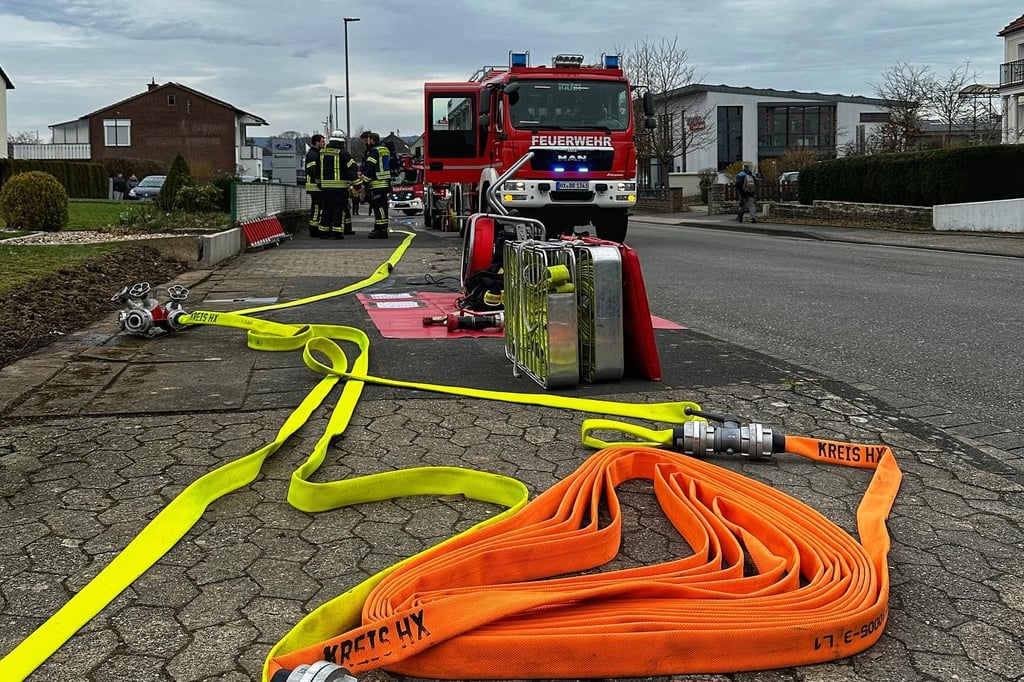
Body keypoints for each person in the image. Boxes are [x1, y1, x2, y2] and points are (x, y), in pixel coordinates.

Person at [319, 130, 359, 238]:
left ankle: (323, 232)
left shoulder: (322, 153)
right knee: (338, 209)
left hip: (325, 187)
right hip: (340, 187)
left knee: (326, 209)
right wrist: (358, 186)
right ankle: (337, 232)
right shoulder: (344, 154)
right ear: (342, 141)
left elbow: (317, 170)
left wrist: (319, 183)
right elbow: (351, 170)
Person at [360, 130, 393, 239]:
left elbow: (370, 167)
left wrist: (364, 181)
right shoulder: (385, 150)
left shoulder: (374, 151)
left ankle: (381, 230)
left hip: (377, 183)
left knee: (379, 208)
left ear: (372, 140)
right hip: (385, 182)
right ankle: (380, 228)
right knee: (382, 207)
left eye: (368, 140)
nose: (367, 142)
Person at [304, 134, 326, 237]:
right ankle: (314, 229)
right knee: (317, 207)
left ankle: (314, 227)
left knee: (317, 206)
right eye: (322, 141)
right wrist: (319, 182)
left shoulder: (315, 153)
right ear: (316, 142)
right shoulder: (313, 155)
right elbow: (313, 171)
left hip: (314, 185)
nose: (324, 143)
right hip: (314, 185)